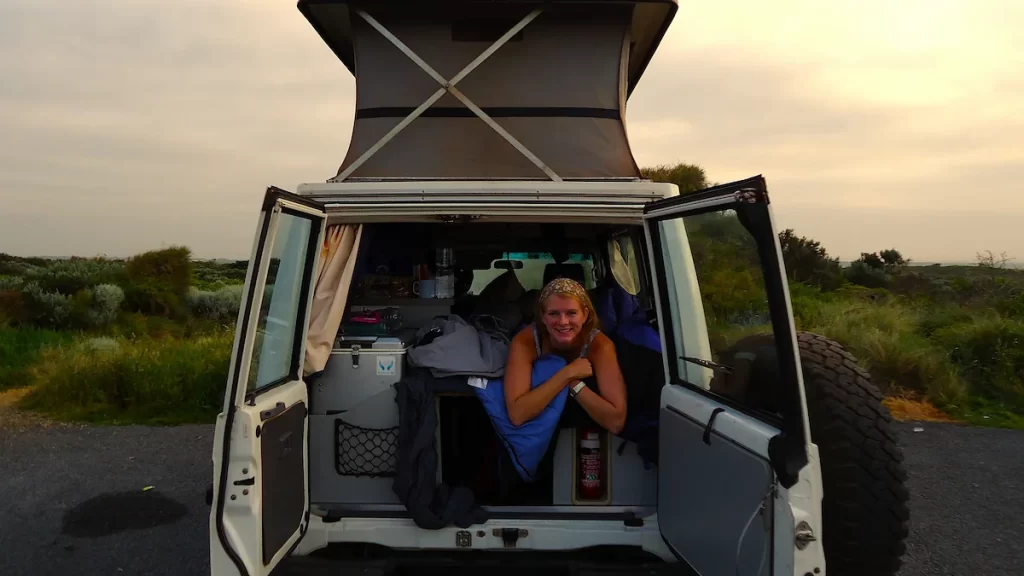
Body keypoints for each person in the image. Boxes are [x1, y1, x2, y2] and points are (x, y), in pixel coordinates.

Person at [503, 277, 627, 435]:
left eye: (571, 313)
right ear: (543, 316)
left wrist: (575, 385)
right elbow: (517, 414)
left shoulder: (599, 345)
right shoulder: (525, 342)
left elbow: (615, 422)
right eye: (554, 313)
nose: (563, 322)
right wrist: (567, 374)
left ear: (585, 314)